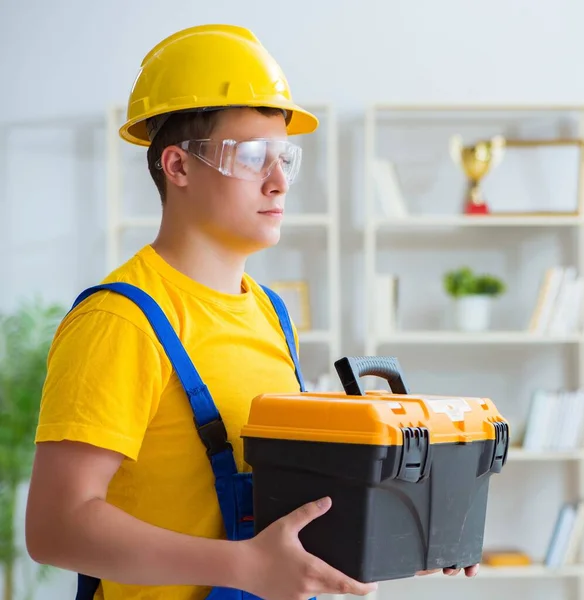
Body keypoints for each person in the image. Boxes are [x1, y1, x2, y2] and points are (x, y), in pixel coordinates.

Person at [24, 23, 478, 600]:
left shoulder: (269, 311)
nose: (279, 180)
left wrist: (396, 529)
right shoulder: (121, 322)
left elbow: (279, 512)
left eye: (284, 156)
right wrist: (241, 566)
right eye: (252, 156)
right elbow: (55, 528)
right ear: (178, 167)